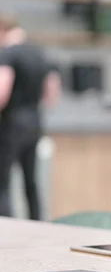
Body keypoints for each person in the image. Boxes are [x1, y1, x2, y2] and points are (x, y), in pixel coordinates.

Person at [0, 13, 61, 220]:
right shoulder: (40, 53)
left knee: (3, 181)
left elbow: (2, 92)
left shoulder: (8, 54)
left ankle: (6, 227)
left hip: (11, 123)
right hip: (35, 120)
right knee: (31, 181)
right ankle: (38, 225)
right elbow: (52, 92)